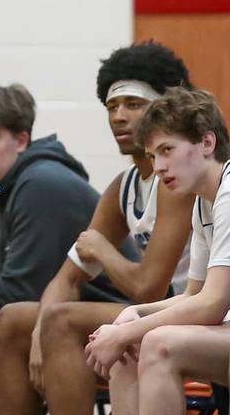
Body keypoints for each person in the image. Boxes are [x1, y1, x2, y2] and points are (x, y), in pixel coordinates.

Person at [0, 42, 195, 415]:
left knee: (61, 320)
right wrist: (39, 330)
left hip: (190, 309)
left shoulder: (175, 180)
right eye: (112, 107)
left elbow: (147, 286)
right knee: (13, 320)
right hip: (150, 312)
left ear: (164, 109)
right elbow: (65, 280)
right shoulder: (124, 185)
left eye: (133, 105)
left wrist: (102, 250)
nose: (119, 116)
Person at [0, 83, 115, 414]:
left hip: (108, 311)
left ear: (21, 140)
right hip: (51, 311)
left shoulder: (42, 183)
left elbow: (20, 290)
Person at [86, 88, 230, 415]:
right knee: (132, 338)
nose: (160, 166)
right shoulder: (204, 202)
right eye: (152, 156)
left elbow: (213, 305)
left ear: (207, 143)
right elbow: (194, 294)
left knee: (154, 342)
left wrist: (131, 331)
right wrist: (135, 318)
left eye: (167, 150)